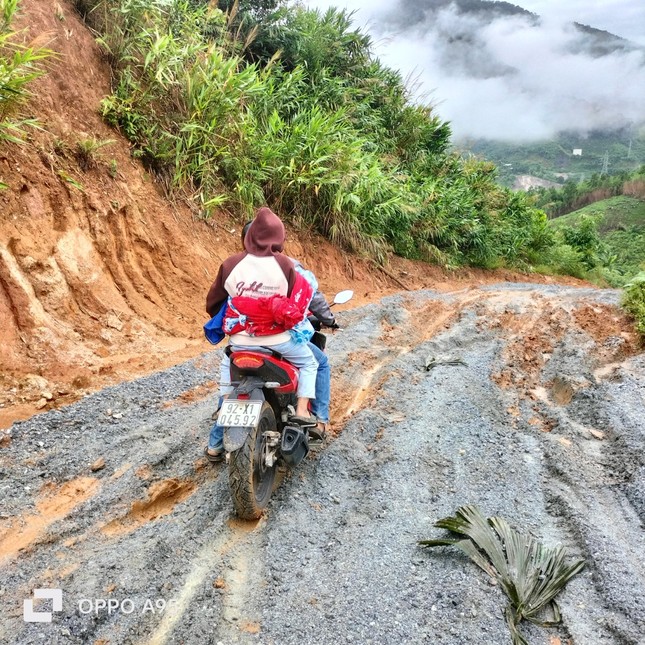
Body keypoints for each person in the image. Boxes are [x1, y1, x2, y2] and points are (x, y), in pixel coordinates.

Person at [204, 207, 319, 461]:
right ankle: (302, 410)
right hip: (277, 342)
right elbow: (295, 307)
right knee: (310, 362)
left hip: (239, 341)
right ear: (279, 237)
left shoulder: (231, 264)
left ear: (250, 236)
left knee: (227, 365)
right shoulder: (286, 265)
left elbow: (214, 303)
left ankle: (222, 415)